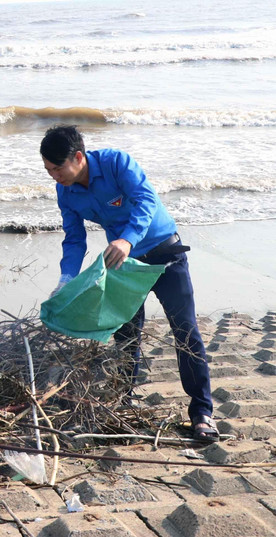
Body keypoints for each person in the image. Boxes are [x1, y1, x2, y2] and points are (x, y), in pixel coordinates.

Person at [39, 124, 217, 442]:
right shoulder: (65, 191)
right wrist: (66, 278)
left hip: (165, 253)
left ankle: (202, 412)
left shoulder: (117, 163)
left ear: (78, 157)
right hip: (125, 267)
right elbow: (74, 237)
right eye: (48, 170)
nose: (54, 176)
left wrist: (127, 240)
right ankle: (123, 405)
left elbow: (146, 202)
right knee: (126, 339)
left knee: (185, 331)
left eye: (57, 168)